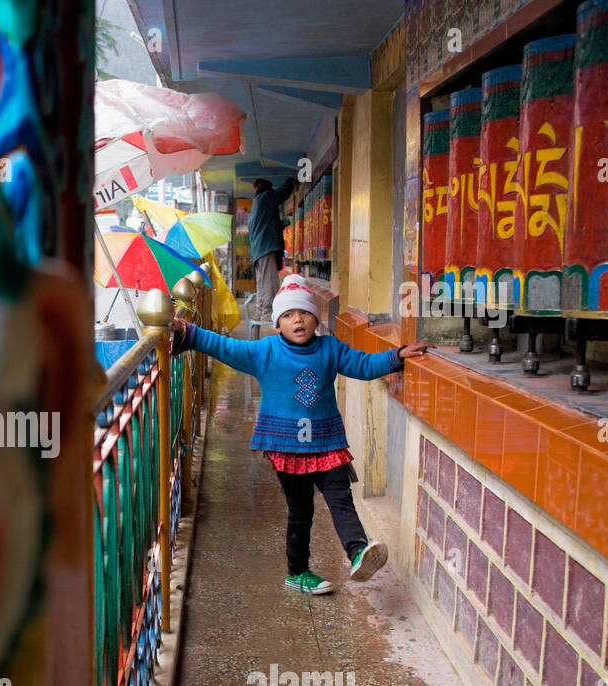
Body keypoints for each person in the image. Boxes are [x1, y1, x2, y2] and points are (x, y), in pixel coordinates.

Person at [173, 274, 432, 594]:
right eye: (288, 315)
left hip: (327, 443)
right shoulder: (264, 351)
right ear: (277, 324)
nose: (298, 320)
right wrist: (188, 333)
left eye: (305, 313)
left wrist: (397, 357)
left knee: (341, 499)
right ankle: (297, 572)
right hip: (286, 448)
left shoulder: (330, 348)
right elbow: (225, 346)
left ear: (316, 319)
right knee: (301, 512)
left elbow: (363, 364)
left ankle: (358, 552)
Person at [249, 176, 295, 327]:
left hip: (258, 250)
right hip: (266, 247)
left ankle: (260, 311)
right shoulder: (266, 198)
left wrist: (281, 224)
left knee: (262, 283)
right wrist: (292, 179)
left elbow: (267, 225)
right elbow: (283, 193)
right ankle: (268, 313)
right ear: (268, 189)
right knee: (270, 282)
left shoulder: (256, 204)